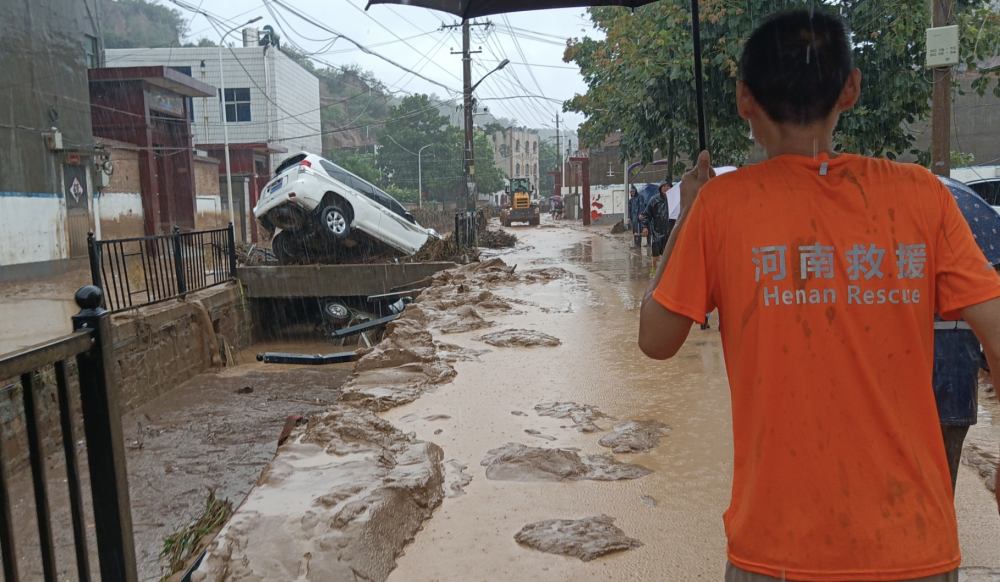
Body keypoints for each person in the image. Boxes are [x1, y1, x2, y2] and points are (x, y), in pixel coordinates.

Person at [638, 10, 1000, 582]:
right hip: (913, 546)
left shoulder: (720, 207)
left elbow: (655, 339)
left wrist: (687, 211)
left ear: (743, 101)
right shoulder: (921, 196)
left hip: (777, 551)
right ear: (850, 89)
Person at [641, 180, 672, 270]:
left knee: (669, 252)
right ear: (660, 188)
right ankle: (653, 268)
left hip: (670, 230)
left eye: (668, 186)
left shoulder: (674, 199)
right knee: (656, 253)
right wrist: (645, 226)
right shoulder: (654, 200)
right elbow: (647, 214)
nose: (666, 188)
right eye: (664, 186)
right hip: (657, 230)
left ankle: (668, 271)